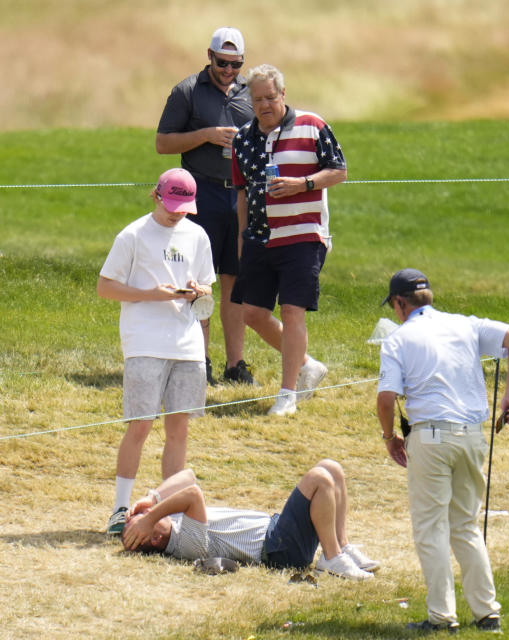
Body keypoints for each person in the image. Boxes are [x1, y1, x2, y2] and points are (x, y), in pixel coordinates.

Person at [376, 269, 509, 633]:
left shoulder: (398, 338)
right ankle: (487, 613)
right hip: (473, 436)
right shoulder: (465, 324)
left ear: (400, 303)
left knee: (431, 527)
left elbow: (385, 398)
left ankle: (442, 618)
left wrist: (388, 436)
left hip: (430, 437)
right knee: (465, 524)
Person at [97, 168, 215, 535]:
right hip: (144, 342)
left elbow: (209, 286)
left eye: (183, 208)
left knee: (178, 430)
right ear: (157, 196)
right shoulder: (133, 235)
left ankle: (171, 510)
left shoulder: (197, 235)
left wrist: (198, 290)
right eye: (172, 205)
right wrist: (152, 294)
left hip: (187, 345)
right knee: (140, 425)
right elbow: (106, 287)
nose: (176, 213)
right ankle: (119, 509)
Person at [231, 63, 346, 416]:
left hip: (303, 235)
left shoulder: (313, 125)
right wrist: (241, 241)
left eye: (271, 97)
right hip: (260, 237)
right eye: (258, 99)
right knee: (252, 313)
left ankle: (287, 395)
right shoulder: (242, 139)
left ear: (283, 95)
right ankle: (308, 365)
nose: (265, 105)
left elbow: (339, 171)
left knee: (293, 310)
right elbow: (242, 195)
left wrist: (303, 184)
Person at [156, 26, 256, 386]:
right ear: (209, 56)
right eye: (223, 63)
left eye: (236, 64)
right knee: (200, 280)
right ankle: (200, 361)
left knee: (236, 279)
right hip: (203, 194)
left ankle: (236, 364)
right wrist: (207, 135)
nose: (229, 71)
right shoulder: (187, 92)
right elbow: (163, 143)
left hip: (242, 196)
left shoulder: (251, 92)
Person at [121, 462, 378, 581]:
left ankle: (341, 549)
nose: (147, 515)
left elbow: (188, 476)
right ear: (153, 537)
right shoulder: (183, 542)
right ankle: (331, 560)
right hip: (279, 549)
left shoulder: (172, 519)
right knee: (319, 478)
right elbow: (193, 494)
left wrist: (151, 498)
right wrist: (152, 515)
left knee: (332, 468)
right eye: (142, 522)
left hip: (278, 534)